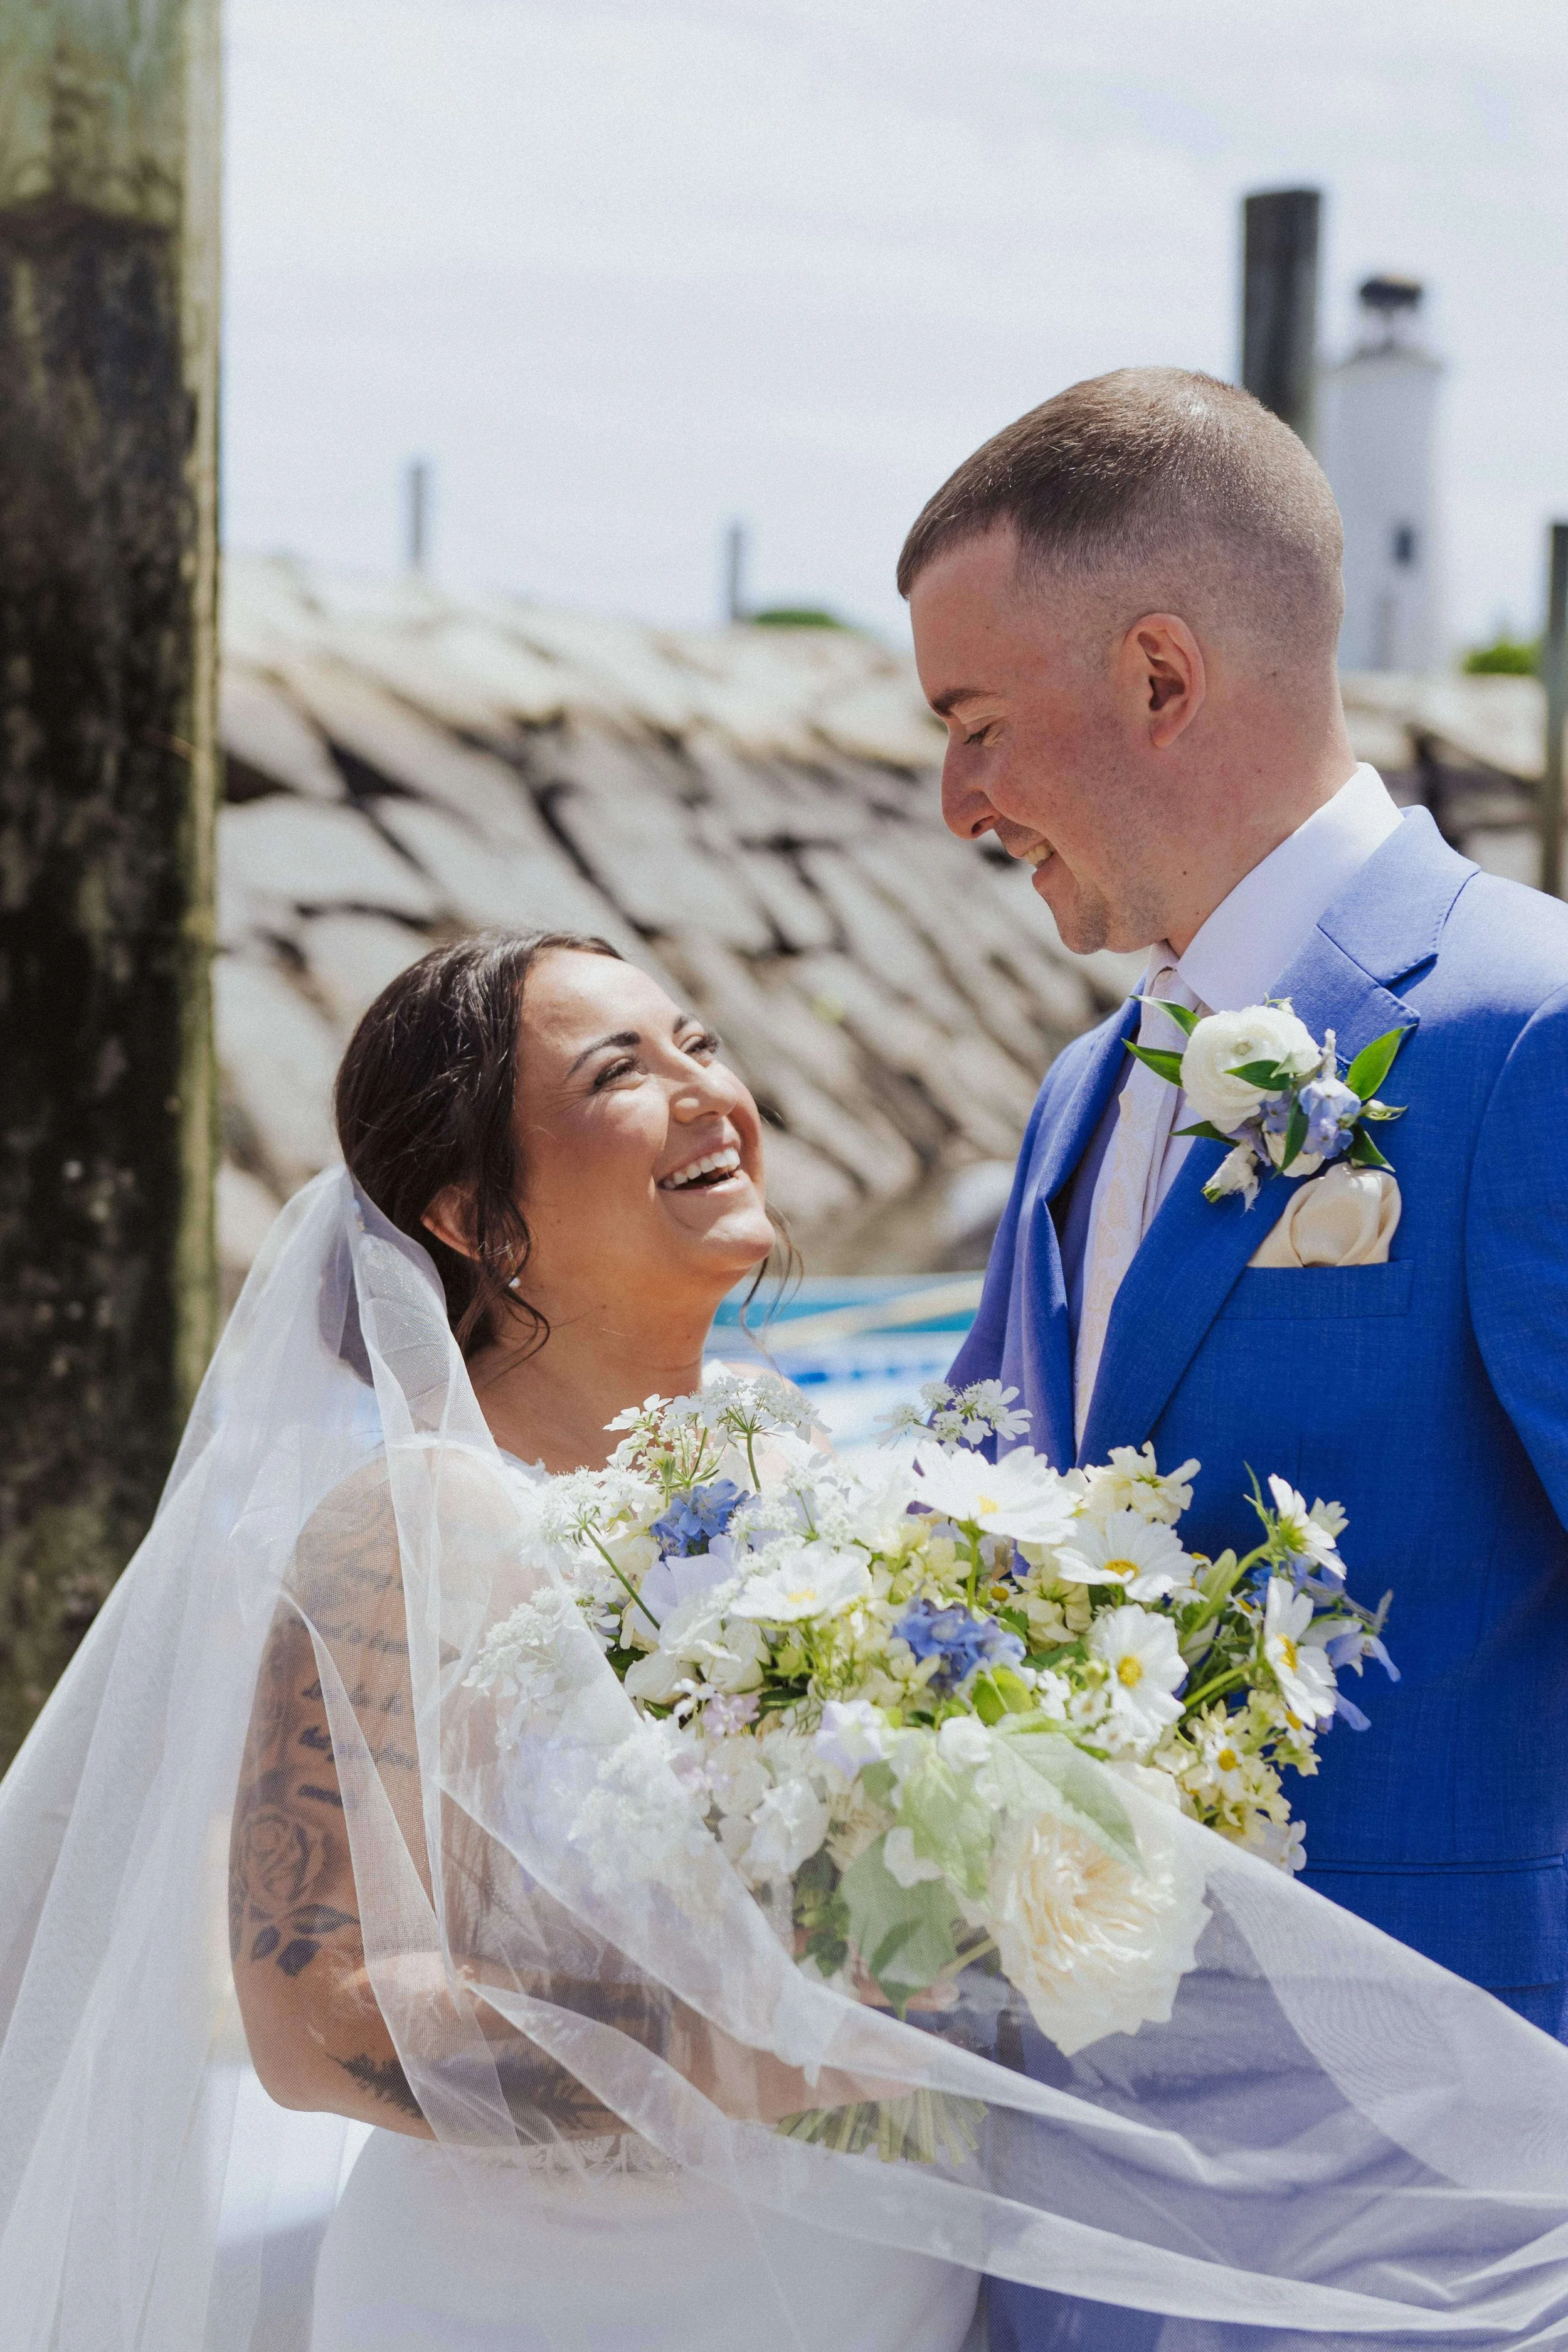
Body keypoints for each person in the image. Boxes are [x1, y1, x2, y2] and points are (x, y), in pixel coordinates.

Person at [9, 942, 1568, 2352]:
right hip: (549, 2314)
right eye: (622, 1072)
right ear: (475, 1219)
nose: (711, 1094)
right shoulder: (408, 1526)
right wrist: (717, 2045)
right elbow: (310, 2017)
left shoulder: (810, 1481)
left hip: (874, 2301)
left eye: (698, 1042)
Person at [906, 366, 1568, 2348]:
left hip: (1422, 2244)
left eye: (970, 725)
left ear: (1162, 676)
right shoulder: (1068, 1097)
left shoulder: (1526, 1036)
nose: (952, 805)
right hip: (1061, 2234)